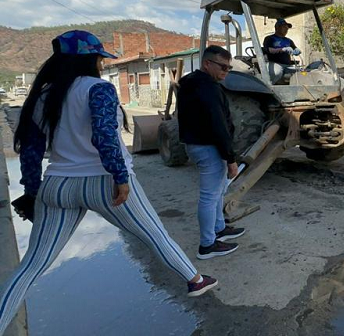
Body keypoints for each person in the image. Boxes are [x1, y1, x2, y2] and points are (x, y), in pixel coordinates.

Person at [0, 31, 217, 334]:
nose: (102, 64)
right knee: (155, 235)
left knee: (30, 268)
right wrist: (120, 177)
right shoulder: (98, 89)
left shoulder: (41, 95)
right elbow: (104, 136)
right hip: (105, 183)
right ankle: (194, 280)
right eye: (100, 58)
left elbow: (31, 151)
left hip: (58, 185)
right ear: (90, 59)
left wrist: (33, 192)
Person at [177, 45, 245, 260]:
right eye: (222, 67)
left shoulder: (191, 83)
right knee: (209, 196)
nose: (226, 71)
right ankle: (207, 245)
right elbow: (218, 126)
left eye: (229, 68)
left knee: (216, 192)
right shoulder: (208, 88)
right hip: (208, 147)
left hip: (199, 144)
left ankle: (219, 228)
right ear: (207, 63)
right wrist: (230, 158)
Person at [262, 18, 301, 83]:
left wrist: (297, 51)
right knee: (277, 72)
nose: (286, 29)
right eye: (284, 27)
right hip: (274, 64)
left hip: (287, 65)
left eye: (287, 28)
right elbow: (267, 50)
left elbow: (295, 49)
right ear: (277, 27)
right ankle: (268, 87)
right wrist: (282, 49)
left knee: (300, 74)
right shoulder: (269, 38)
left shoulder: (289, 40)